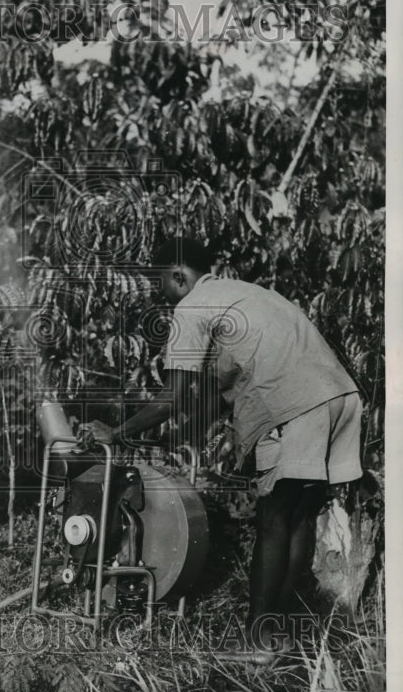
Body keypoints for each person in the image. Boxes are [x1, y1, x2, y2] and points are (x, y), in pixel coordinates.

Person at [80, 236, 362, 664]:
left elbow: (171, 398)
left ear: (178, 276)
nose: (164, 295)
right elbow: (211, 397)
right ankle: (281, 636)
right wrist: (184, 437)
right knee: (299, 517)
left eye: (162, 285)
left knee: (272, 521)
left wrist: (117, 433)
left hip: (294, 406)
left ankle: (258, 642)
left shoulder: (191, 306)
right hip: (338, 397)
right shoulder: (246, 294)